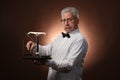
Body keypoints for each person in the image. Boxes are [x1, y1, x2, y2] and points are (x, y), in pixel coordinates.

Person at [26, 7, 88, 80]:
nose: (66, 23)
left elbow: (68, 65)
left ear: (77, 21)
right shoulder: (60, 37)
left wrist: (47, 62)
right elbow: (47, 50)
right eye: (64, 20)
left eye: (69, 20)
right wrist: (34, 47)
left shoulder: (80, 40)